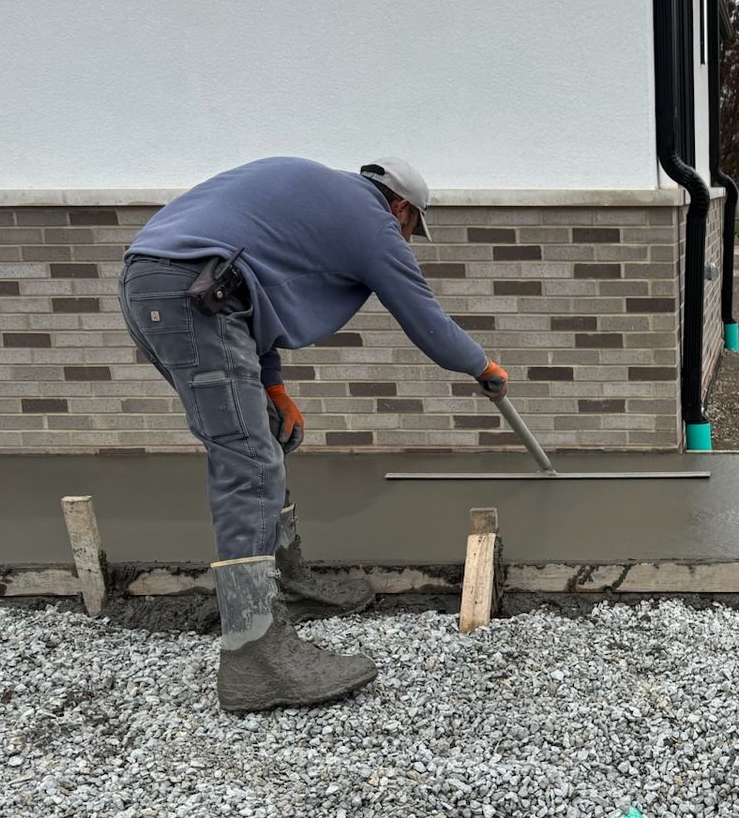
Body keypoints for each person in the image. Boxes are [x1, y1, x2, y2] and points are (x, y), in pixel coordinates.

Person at [117, 157, 508, 713]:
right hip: (192, 295)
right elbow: (424, 318)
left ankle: (286, 585)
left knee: (258, 441)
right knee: (248, 463)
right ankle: (256, 654)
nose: (406, 239)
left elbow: (249, 283)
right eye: (411, 228)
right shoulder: (369, 219)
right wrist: (482, 367)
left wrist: (272, 387)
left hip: (167, 287)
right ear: (400, 206)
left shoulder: (314, 196)